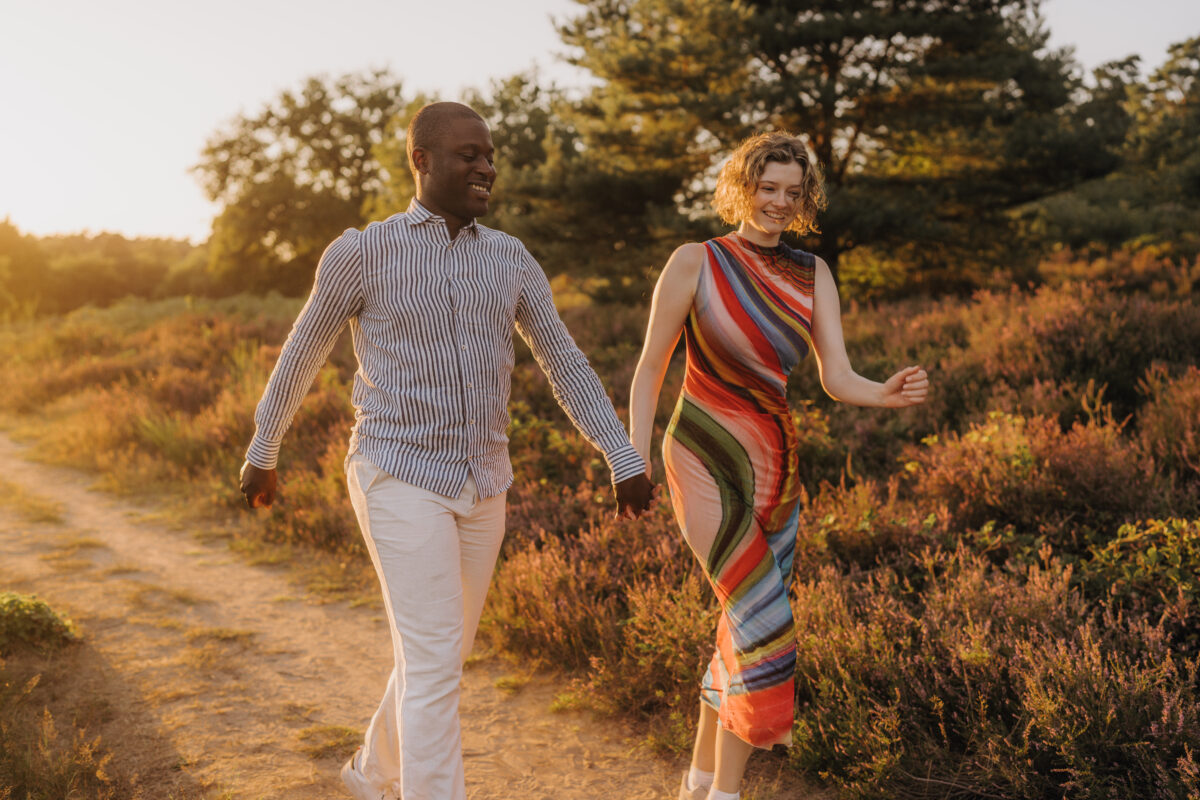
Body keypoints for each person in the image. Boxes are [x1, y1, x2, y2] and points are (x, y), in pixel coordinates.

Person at [239, 101, 655, 800]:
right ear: (421, 160)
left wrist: (622, 454)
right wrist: (264, 445)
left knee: (443, 651)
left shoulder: (510, 256)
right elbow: (303, 351)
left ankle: (371, 773)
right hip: (396, 471)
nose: (486, 167)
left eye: (490, 155)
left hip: (484, 481)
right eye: (469, 154)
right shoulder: (363, 252)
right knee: (435, 662)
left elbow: (564, 361)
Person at [629, 132, 929, 800]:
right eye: (768, 189)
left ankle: (699, 780)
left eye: (793, 193)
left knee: (739, 619)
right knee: (762, 620)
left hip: (778, 466)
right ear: (743, 186)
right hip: (701, 456)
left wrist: (884, 392)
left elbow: (838, 375)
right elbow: (651, 369)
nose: (779, 203)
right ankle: (726, 796)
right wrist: (631, 457)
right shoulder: (695, 261)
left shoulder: (812, 272)